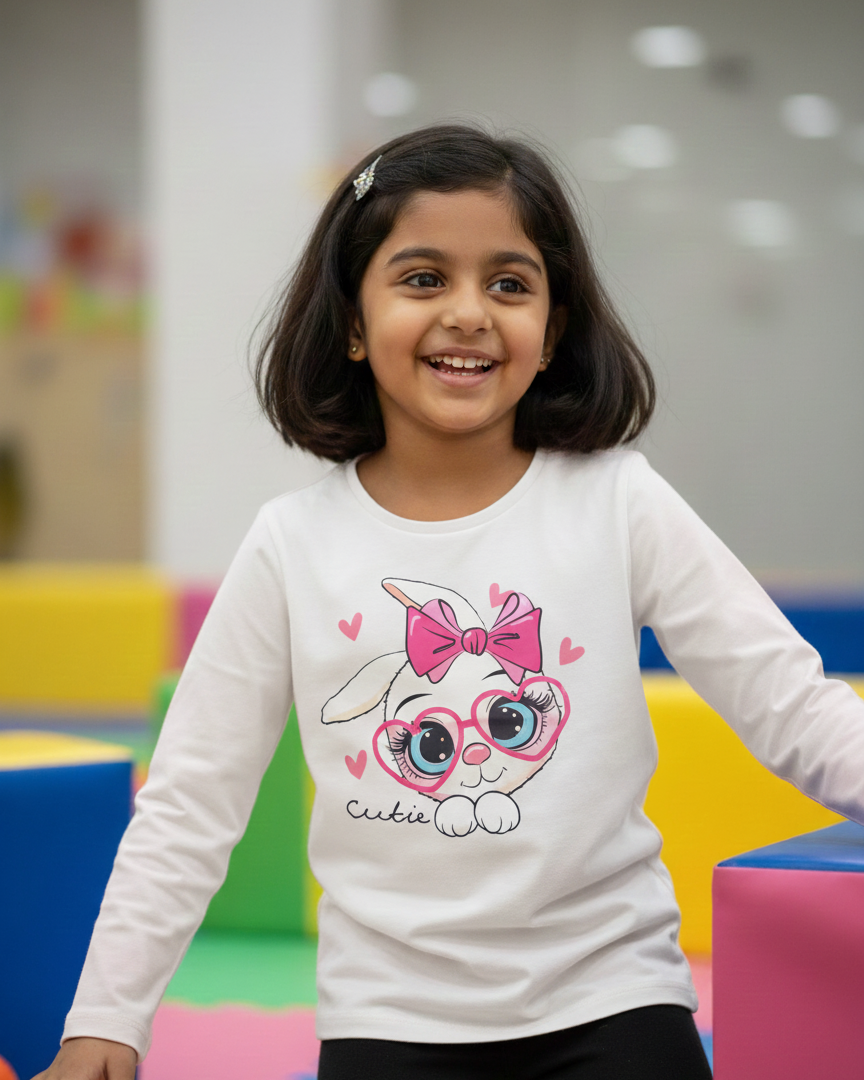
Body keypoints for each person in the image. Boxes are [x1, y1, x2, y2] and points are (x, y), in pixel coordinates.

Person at [37, 125, 864, 1080]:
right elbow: (191, 805)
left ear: (552, 332)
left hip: (614, 999)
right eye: (423, 278)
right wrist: (107, 1016)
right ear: (352, 321)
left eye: (509, 284)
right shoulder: (292, 545)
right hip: (389, 1021)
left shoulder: (616, 501)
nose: (468, 313)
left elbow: (790, 703)